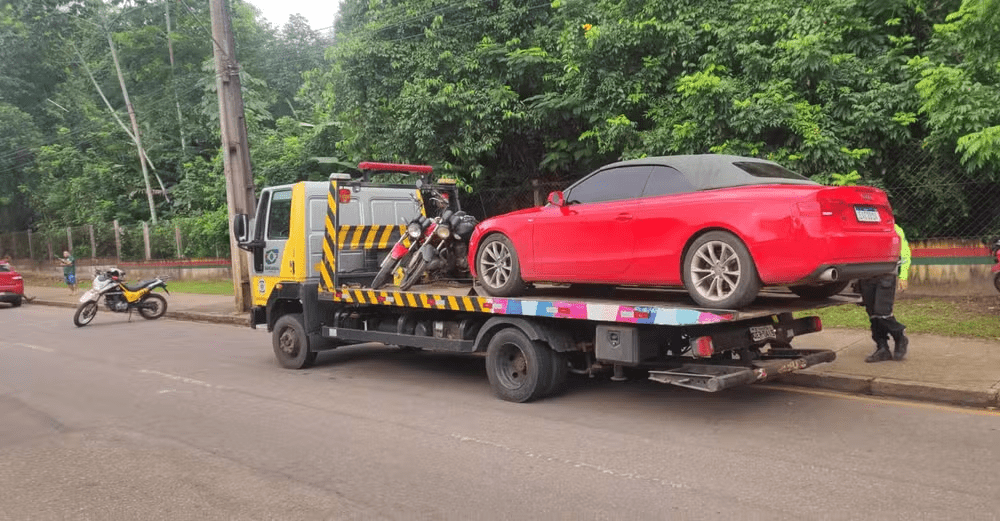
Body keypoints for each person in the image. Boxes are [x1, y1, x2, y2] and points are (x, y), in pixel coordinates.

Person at [859, 224, 910, 363]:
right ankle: (882, 348)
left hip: (885, 275)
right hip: (865, 276)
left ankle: (900, 336)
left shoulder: (893, 228)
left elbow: (904, 252)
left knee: (882, 313)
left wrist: (903, 275)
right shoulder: (859, 227)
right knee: (873, 315)